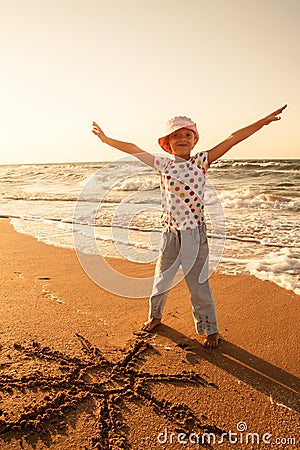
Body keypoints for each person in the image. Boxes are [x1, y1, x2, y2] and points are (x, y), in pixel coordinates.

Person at [92, 104, 287, 348]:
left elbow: (233, 138)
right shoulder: (162, 165)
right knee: (161, 280)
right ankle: (155, 316)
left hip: (194, 234)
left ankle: (210, 328)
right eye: (176, 135)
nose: (182, 139)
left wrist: (262, 122)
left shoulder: (201, 161)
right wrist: (106, 139)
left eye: (187, 135)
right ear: (167, 142)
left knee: (198, 286)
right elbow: (133, 149)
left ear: (194, 141)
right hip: (170, 233)